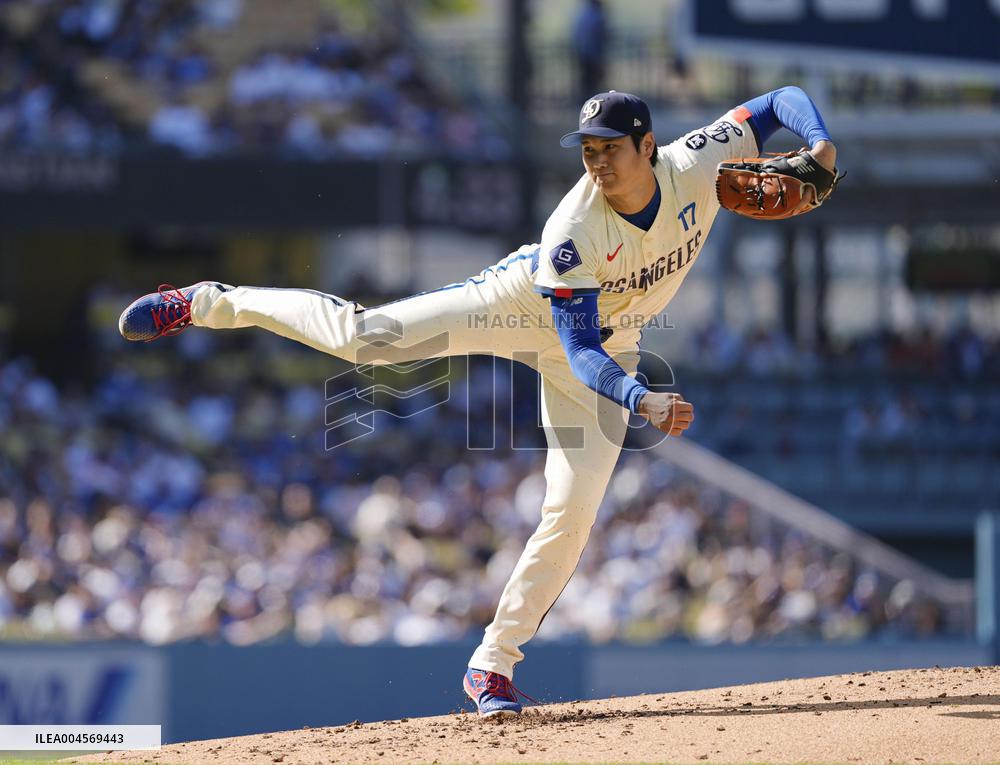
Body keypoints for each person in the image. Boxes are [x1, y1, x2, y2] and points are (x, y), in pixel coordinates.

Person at [118, 86, 838, 717]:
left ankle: (492, 664)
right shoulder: (573, 231)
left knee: (574, 508)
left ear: (648, 146)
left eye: (610, 147)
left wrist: (820, 144)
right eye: (586, 147)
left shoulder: (695, 162)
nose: (595, 160)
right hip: (527, 307)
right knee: (366, 337)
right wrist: (640, 397)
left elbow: (780, 99)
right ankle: (209, 301)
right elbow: (579, 351)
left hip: (610, 343)